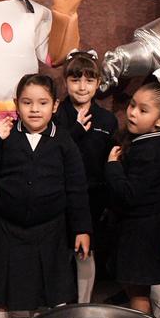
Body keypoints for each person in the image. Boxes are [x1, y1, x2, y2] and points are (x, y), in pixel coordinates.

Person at [0, 74, 91, 318]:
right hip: (7, 224)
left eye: (42, 103)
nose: (35, 109)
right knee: (2, 280)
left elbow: (77, 187)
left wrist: (82, 228)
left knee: (52, 282)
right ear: (17, 104)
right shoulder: (5, 135)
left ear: (55, 105)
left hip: (50, 227)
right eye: (27, 103)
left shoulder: (63, 140)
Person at [105, 70, 160, 317]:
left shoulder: (149, 151)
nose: (132, 113)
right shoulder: (153, 141)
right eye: (132, 105)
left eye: (143, 110)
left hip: (142, 233)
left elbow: (129, 194)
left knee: (138, 293)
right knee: (134, 288)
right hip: (144, 228)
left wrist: (113, 166)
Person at [52, 50, 117, 304]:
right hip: (59, 194)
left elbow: (109, 159)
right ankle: (57, 305)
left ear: (98, 83)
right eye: (75, 80)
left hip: (93, 197)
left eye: (89, 80)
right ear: (65, 82)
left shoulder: (107, 119)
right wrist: (75, 130)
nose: (82, 87)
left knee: (86, 252)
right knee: (59, 251)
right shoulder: (56, 116)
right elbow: (53, 152)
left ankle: (83, 305)